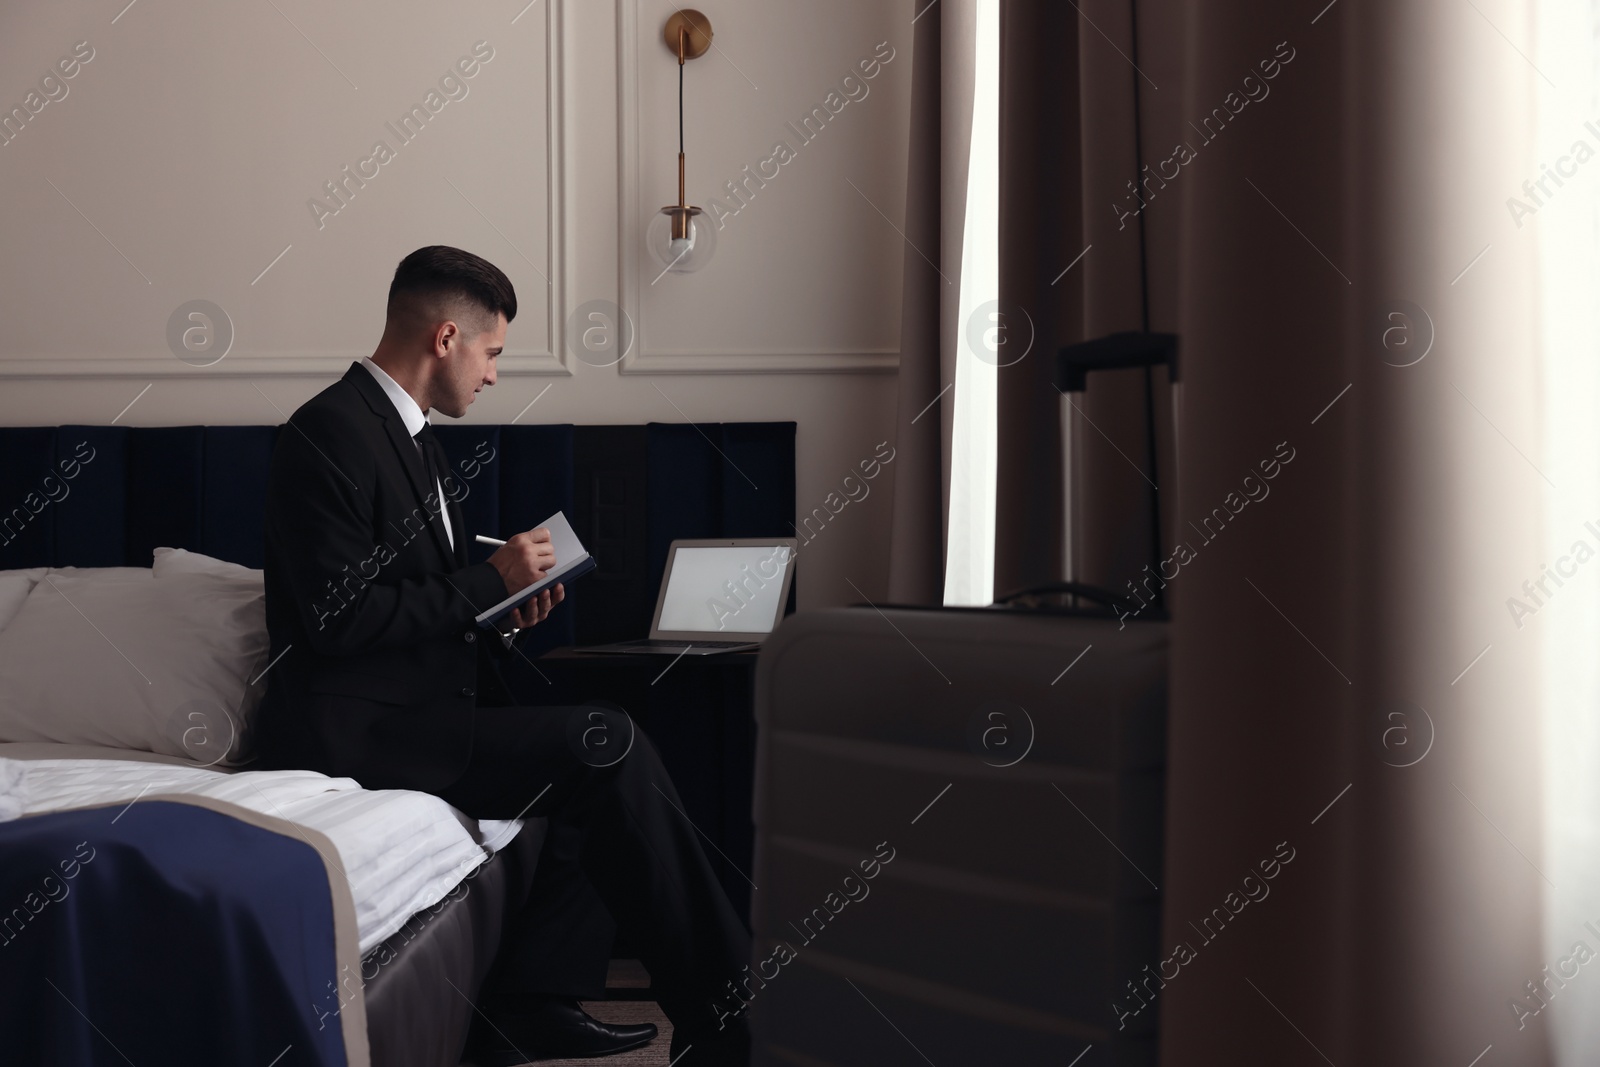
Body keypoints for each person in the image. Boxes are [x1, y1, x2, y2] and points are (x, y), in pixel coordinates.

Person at [255, 245, 751, 1066]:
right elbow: (335, 620)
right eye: (492, 353)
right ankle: (732, 1016)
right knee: (605, 744)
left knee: (596, 740)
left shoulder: (418, 442)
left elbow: (421, 597)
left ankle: (534, 1001)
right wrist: (489, 579)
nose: (493, 376)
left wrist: (503, 609)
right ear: (447, 337)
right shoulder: (328, 431)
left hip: (422, 710)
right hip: (360, 734)